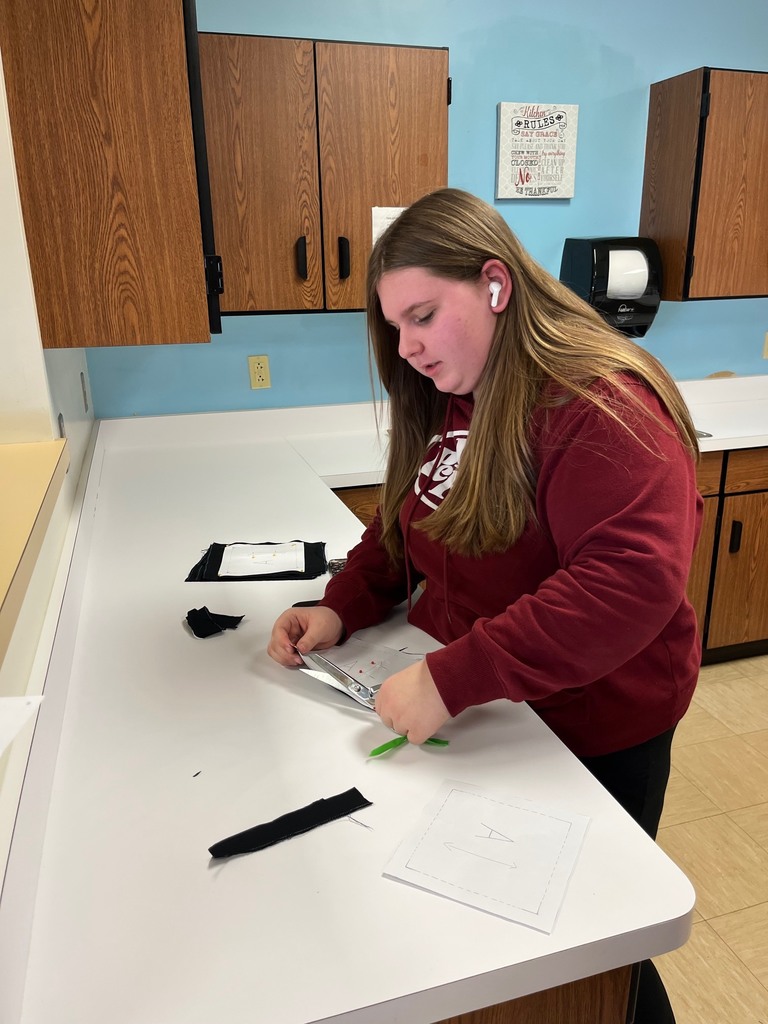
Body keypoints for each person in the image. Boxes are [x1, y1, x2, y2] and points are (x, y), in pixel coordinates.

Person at [268, 187, 701, 1023]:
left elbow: (630, 583)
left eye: (423, 315)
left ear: (496, 285)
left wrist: (455, 675)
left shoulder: (600, 403)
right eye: (396, 327)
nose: (409, 347)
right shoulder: (457, 396)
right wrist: (342, 606)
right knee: (493, 957)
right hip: (496, 720)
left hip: (593, 731)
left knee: (597, 954)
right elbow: (410, 521)